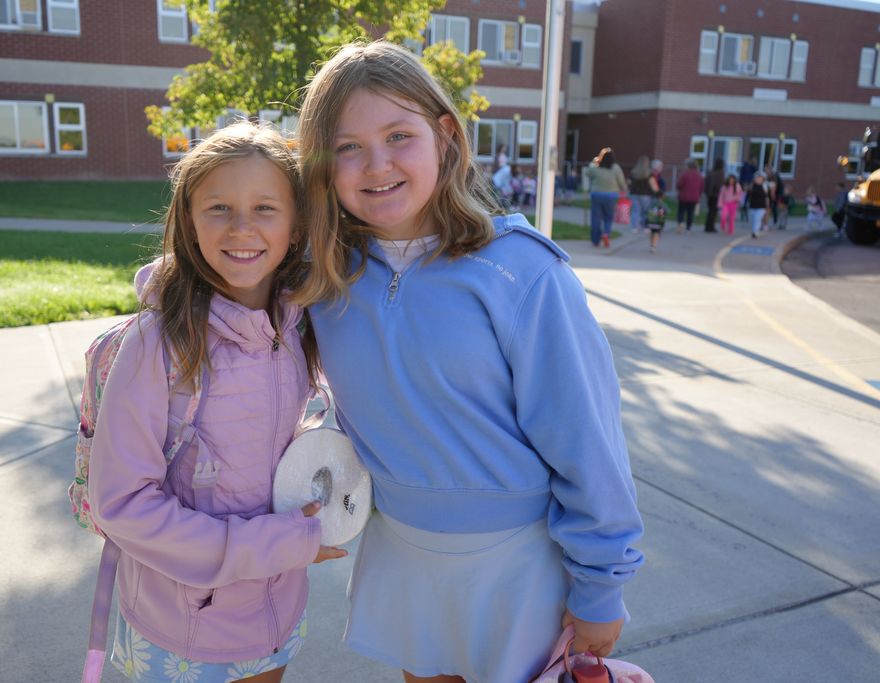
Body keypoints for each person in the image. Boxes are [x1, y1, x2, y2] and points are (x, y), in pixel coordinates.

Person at [294, 41, 645, 683]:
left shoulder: (522, 272)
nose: (376, 164)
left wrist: (601, 582)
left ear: (445, 136)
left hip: (518, 566)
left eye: (399, 136)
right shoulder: (322, 279)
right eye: (347, 146)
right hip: (401, 552)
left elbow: (587, 441)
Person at [88, 122, 347, 683]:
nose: (241, 228)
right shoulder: (157, 343)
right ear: (188, 221)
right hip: (179, 630)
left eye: (265, 208)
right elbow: (121, 504)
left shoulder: (301, 328)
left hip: (277, 615)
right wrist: (275, 545)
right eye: (219, 208)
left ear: (297, 225)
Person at [584, 147, 628, 247]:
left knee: (596, 218)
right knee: (609, 217)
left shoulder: (596, 167)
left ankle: (595, 240)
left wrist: (594, 161)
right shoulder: (616, 168)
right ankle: (606, 233)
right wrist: (624, 190)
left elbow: (587, 173)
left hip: (597, 194)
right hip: (611, 195)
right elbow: (622, 182)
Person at [675, 159, 704, 233]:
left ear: (688, 166)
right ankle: (688, 228)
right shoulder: (699, 175)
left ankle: (680, 226)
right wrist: (698, 195)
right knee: (690, 213)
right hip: (694, 197)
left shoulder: (685, 174)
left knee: (681, 212)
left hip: (683, 197)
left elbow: (679, 185)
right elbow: (701, 187)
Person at [628, 155, 656, 233]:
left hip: (634, 194)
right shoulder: (649, 173)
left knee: (635, 211)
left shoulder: (633, 172)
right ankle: (645, 227)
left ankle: (634, 228)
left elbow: (629, 183)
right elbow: (653, 185)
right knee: (645, 212)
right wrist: (657, 193)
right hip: (646, 195)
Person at [703, 157, 725, 233]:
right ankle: (711, 227)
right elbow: (720, 185)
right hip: (716, 195)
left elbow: (706, 183)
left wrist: (707, 192)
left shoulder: (711, 172)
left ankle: (708, 226)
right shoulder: (720, 174)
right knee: (714, 211)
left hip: (710, 195)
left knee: (710, 211)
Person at [747, 170, 771, 239]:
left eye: (760, 178)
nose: (758, 179)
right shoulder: (751, 186)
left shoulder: (764, 186)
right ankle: (754, 230)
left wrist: (767, 205)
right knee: (753, 220)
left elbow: (767, 197)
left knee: (757, 219)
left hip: (761, 206)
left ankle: (755, 232)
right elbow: (748, 195)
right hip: (752, 205)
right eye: (757, 178)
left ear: (763, 179)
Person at [738, 155, 757, 223]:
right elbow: (743, 176)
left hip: (748, 185)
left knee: (746, 200)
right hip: (745, 185)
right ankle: (743, 214)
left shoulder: (751, 167)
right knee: (744, 200)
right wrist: (744, 184)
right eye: (753, 160)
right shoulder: (745, 166)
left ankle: (744, 214)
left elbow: (754, 171)